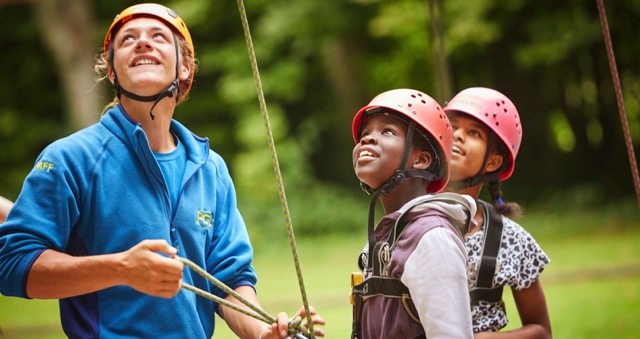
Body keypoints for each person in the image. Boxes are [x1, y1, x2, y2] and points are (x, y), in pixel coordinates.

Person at [0, 4, 324, 338]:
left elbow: (230, 280)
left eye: (158, 37)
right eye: (128, 39)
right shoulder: (71, 158)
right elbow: (13, 265)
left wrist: (262, 334)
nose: (142, 43)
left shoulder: (210, 169)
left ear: (184, 68)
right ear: (111, 71)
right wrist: (121, 268)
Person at [349, 88, 476, 339]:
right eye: (365, 133)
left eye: (387, 131)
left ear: (421, 160)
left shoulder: (432, 239)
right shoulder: (386, 238)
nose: (367, 139)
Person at [443, 87, 552, 338]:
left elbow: (542, 332)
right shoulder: (406, 220)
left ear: (493, 161)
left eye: (473, 132)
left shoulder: (509, 238)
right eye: (453, 127)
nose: (458, 136)